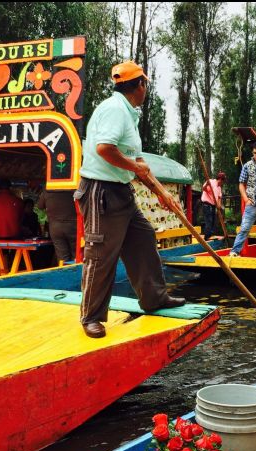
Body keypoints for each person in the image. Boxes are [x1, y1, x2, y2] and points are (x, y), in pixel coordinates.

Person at [74, 60, 184, 339]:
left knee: (143, 238)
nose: (146, 89)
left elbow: (139, 164)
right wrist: (135, 167)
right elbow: (104, 149)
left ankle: (154, 298)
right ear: (140, 85)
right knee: (101, 255)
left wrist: (162, 193)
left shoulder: (128, 114)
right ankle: (91, 316)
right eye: (146, 84)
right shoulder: (114, 109)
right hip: (101, 191)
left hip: (121, 191)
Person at [37, 189, 77, 263]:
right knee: (76, 254)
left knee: (62, 257)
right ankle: (75, 269)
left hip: (55, 228)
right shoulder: (73, 189)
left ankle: (64, 269)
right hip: (73, 226)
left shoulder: (47, 190)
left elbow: (40, 206)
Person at [201, 171, 226, 240]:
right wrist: (207, 185)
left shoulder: (219, 188)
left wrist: (219, 206)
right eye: (223, 181)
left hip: (213, 205)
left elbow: (219, 197)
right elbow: (204, 189)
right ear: (220, 179)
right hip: (207, 204)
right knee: (209, 220)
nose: (223, 183)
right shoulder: (210, 182)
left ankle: (210, 235)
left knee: (213, 221)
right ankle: (207, 237)